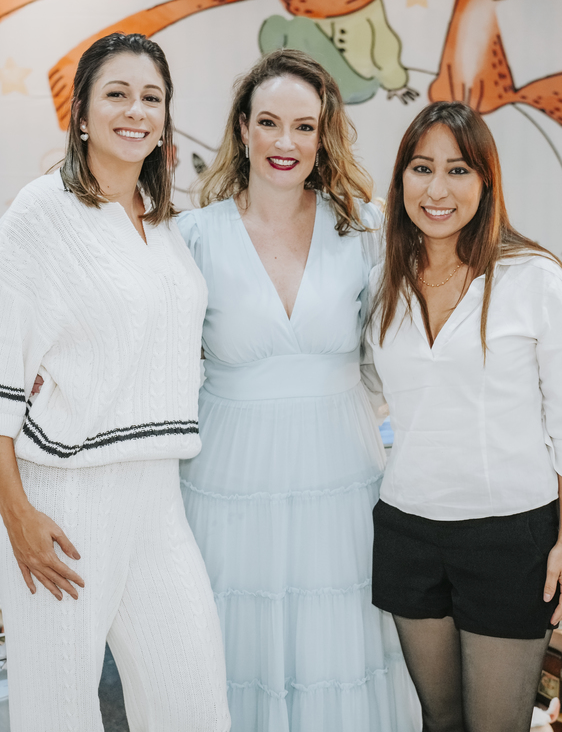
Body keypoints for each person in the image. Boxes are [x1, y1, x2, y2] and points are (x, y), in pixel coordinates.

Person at [0, 32, 230, 732]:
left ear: (165, 119)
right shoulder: (39, 213)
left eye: (152, 98)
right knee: (58, 710)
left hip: (158, 494)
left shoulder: (160, 219)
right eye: (117, 94)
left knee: (193, 699)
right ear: (80, 113)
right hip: (64, 498)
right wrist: (17, 515)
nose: (136, 110)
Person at [177, 48, 417, 731]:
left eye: (304, 127)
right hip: (230, 472)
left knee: (336, 635)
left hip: (339, 467)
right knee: (235, 635)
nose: (286, 142)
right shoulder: (193, 236)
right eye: (270, 123)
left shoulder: (361, 228)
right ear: (243, 128)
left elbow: (389, 353)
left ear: (323, 135)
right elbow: (158, 355)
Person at [366, 101, 562, 732]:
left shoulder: (533, 277)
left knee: (495, 724)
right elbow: (362, 384)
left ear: (486, 181)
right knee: (440, 719)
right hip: (409, 528)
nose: (437, 190)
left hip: (510, 534)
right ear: (401, 179)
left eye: (458, 170)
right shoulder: (383, 280)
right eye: (421, 168)